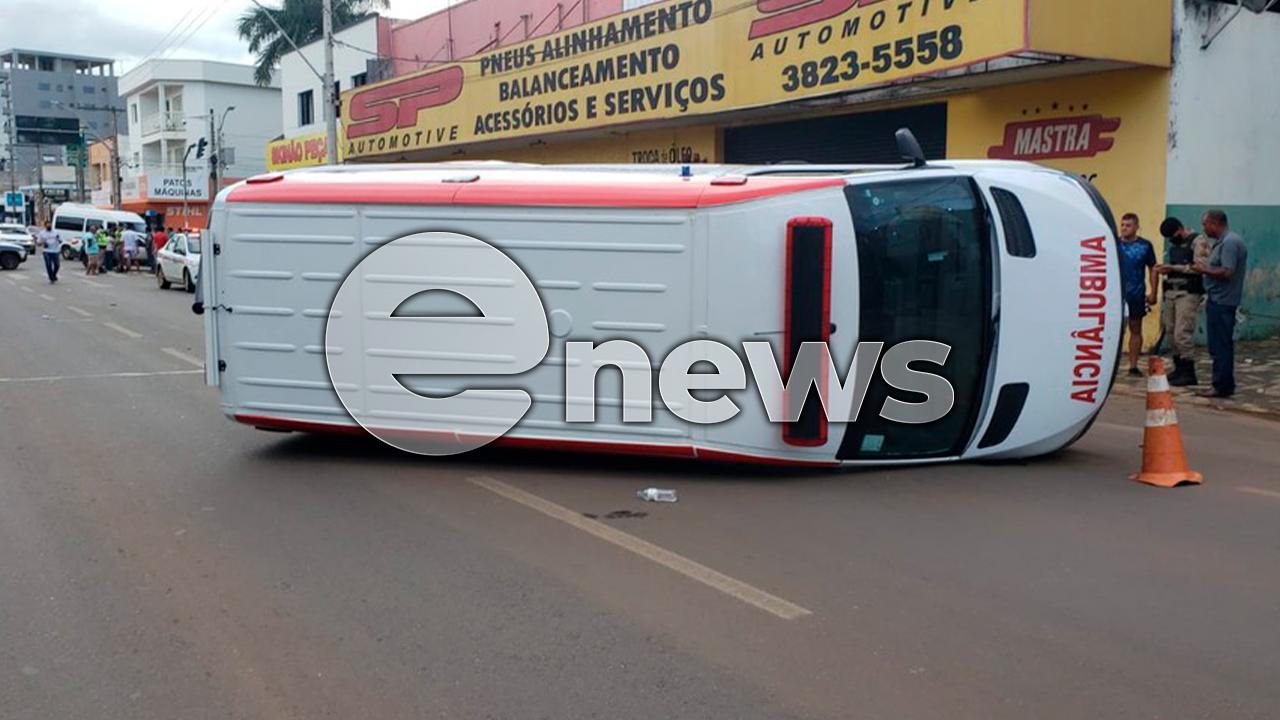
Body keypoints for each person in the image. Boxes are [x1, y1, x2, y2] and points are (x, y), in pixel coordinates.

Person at [1194, 209, 1248, 398]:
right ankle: (1223, 384)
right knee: (1218, 345)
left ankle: (1221, 385)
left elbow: (1227, 272)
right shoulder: (1224, 242)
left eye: (1205, 224)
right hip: (1219, 299)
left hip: (1223, 301)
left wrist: (1204, 270)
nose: (1204, 228)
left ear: (1215, 223)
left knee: (1220, 346)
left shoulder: (1230, 242)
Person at [1155, 218, 1208, 386]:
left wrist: (1174, 268)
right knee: (1171, 333)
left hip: (1188, 293)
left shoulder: (1198, 241)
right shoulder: (1175, 247)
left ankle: (1188, 372)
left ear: (1180, 228)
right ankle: (1179, 369)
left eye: (1173, 235)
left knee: (1182, 333)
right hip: (1172, 292)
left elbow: (1201, 266)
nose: (1172, 239)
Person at [1116, 212, 1158, 377]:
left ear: (1136, 227)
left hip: (1135, 293)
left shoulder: (1145, 246)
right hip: (1117, 295)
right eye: (1123, 225)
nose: (1124, 228)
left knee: (1135, 328)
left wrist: (1153, 292)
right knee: (1116, 330)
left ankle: (1133, 365)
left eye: (1128, 225)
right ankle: (1112, 366)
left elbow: (1153, 268)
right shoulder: (1114, 244)